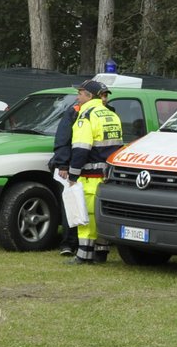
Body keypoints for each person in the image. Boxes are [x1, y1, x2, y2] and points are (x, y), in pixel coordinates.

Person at [65, 79, 123, 264]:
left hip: (89, 176)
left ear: (89, 96)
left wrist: (73, 175)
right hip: (107, 177)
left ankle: (84, 255)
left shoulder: (86, 116)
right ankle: (101, 252)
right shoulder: (112, 115)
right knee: (101, 215)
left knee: (86, 216)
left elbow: (81, 149)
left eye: (80, 93)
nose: (77, 97)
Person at [49, 82, 92, 256]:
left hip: (92, 169)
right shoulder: (74, 111)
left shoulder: (105, 113)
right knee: (71, 205)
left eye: (80, 93)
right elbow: (63, 139)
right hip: (73, 167)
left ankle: (87, 244)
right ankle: (68, 243)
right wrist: (63, 164)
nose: (77, 97)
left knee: (88, 208)